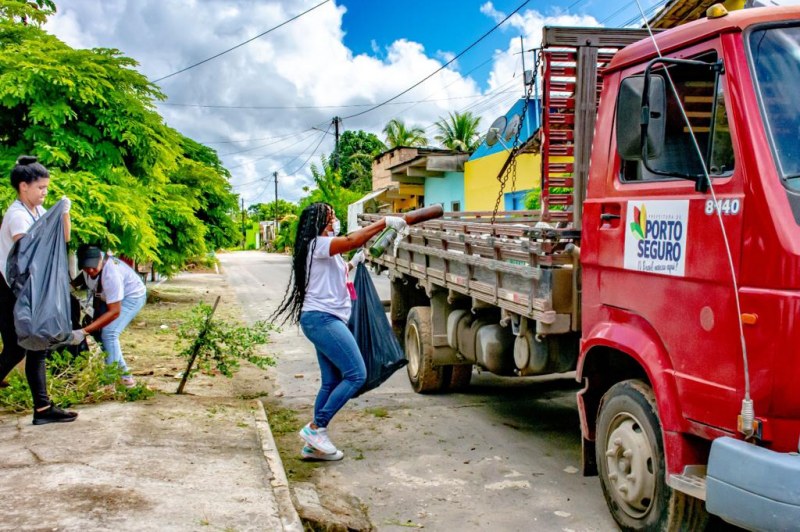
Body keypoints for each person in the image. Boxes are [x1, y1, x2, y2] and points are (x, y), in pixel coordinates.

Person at [272, 202, 406, 461]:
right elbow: (352, 240)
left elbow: (338, 271)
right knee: (356, 374)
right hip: (323, 320)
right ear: (320, 222)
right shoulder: (316, 245)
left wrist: (354, 264)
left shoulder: (326, 252)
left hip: (323, 320)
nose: (335, 222)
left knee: (331, 381)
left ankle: (313, 446)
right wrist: (384, 223)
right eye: (332, 218)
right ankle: (316, 428)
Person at [0, 155, 77, 425]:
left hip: (28, 289)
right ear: (24, 187)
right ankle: (42, 408)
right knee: (16, 349)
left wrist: (63, 211)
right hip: (10, 290)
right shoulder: (18, 215)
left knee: (36, 345)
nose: (45, 192)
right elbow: (30, 251)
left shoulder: (37, 212)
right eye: (40, 188)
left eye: (46, 188)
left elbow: (63, 237)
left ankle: (43, 410)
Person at [69, 245, 146, 388]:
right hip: (106, 298)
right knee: (100, 335)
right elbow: (84, 277)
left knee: (109, 333)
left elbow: (114, 311)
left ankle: (109, 382)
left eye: (93, 267)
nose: (90, 270)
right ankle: (126, 378)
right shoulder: (89, 267)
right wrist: (70, 286)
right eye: (86, 267)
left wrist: (83, 332)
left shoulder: (111, 275)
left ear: (101, 261)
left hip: (132, 297)